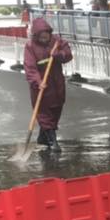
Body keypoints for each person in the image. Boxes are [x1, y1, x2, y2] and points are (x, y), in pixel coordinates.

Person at [22, 17, 74, 150]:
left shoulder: (56, 41)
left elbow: (68, 54)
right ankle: (53, 141)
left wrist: (59, 54)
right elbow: (30, 67)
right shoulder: (30, 47)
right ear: (36, 36)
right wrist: (38, 82)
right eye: (42, 38)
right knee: (44, 113)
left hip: (56, 83)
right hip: (40, 86)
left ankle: (43, 138)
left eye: (46, 37)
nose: (45, 40)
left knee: (56, 110)